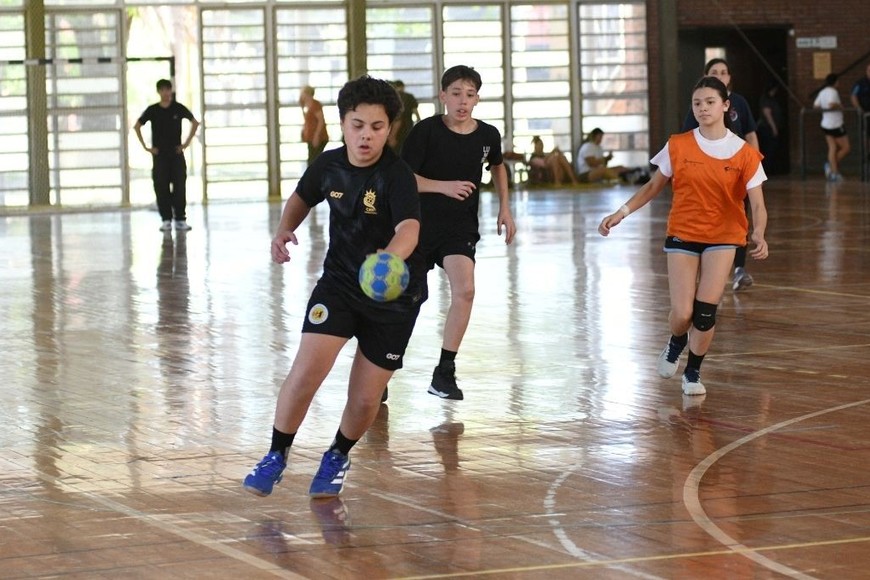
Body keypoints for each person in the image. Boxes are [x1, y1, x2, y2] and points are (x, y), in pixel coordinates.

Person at [242, 75, 426, 499]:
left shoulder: (396, 175)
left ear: (390, 129)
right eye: (357, 125)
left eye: (377, 127)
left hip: (395, 299)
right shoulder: (328, 165)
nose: (366, 135)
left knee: (365, 401)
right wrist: (284, 230)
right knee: (306, 371)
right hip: (340, 285)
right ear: (343, 123)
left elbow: (410, 228)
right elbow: (301, 197)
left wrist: (388, 260)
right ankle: (276, 455)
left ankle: (338, 454)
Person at [598, 76, 769, 396]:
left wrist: (758, 232)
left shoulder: (743, 153)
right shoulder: (678, 144)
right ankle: (676, 341)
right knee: (682, 313)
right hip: (684, 233)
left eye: (710, 102)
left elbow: (757, 203)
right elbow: (652, 187)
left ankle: (692, 372)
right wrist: (620, 213)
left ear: (725, 106)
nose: (703, 108)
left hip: (723, 236)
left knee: (705, 314)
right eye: (697, 103)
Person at [401, 65, 517, 400]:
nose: (462, 101)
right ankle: (384, 365)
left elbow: (498, 166)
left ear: (477, 99)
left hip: (459, 228)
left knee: (465, 291)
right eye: (456, 94)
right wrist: (443, 187)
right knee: (409, 301)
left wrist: (505, 208)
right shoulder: (425, 132)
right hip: (417, 226)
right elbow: (403, 178)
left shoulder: (487, 135)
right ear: (443, 96)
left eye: (469, 95)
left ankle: (444, 372)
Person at [681, 58, 759, 292]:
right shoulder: (700, 107)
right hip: (709, 175)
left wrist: (754, 164)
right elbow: (687, 138)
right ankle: (709, 270)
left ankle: (739, 269)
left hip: (736, 171)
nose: (720, 75)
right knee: (711, 218)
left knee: (739, 219)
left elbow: (751, 134)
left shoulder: (739, 103)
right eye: (715, 72)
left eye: (724, 72)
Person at [134, 79, 199, 232]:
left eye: (168, 90)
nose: (166, 93)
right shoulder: (153, 110)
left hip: (176, 154)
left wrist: (186, 144)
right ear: (158, 92)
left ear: (171, 91)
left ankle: (180, 219)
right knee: (161, 187)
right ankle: (166, 219)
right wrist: (146, 147)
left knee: (179, 187)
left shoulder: (178, 108)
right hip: (160, 156)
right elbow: (137, 126)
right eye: (162, 90)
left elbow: (195, 122)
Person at [813, 73, 850, 182]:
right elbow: (831, 104)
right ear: (835, 82)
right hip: (836, 124)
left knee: (832, 148)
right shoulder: (833, 92)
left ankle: (833, 172)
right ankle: (831, 166)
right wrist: (840, 106)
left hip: (825, 124)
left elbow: (815, 105)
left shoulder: (822, 92)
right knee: (846, 148)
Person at [575, 129, 640, 183]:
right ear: (594, 136)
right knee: (603, 170)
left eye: (601, 137)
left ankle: (631, 173)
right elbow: (592, 163)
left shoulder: (599, 147)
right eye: (599, 136)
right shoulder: (587, 146)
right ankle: (624, 178)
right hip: (586, 174)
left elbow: (602, 164)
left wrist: (607, 159)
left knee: (620, 167)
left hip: (598, 170)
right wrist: (605, 159)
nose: (601, 139)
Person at [757, 81, 784, 175]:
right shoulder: (766, 99)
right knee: (769, 149)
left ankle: (771, 169)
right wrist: (774, 128)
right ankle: (767, 170)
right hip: (766, 128)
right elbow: (768, 114)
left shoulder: (771, 99)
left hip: (770, 127)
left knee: (772, 149)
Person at [300, 85, 329, 166]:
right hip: (310, 137)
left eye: (303, 93)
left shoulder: (315, 105)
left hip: (318, 138)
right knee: (312, 160)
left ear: (307, 94)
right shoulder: (306, 105)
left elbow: (321, 121)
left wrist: (316, 136)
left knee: (314, 161)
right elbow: (307, 121)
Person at [389, 80, 420, 154]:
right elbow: (415, 111)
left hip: (393, 128)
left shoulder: (392, 97)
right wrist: (419, 121)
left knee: (395, 149)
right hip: (408, 126)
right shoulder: (409, 96)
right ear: (403, 87)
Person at [850, 63, 870, 160]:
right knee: (865, 134)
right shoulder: (861, 83)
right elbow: (854, 96)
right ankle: (866, 155)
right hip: (865, 115)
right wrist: (859, 109)